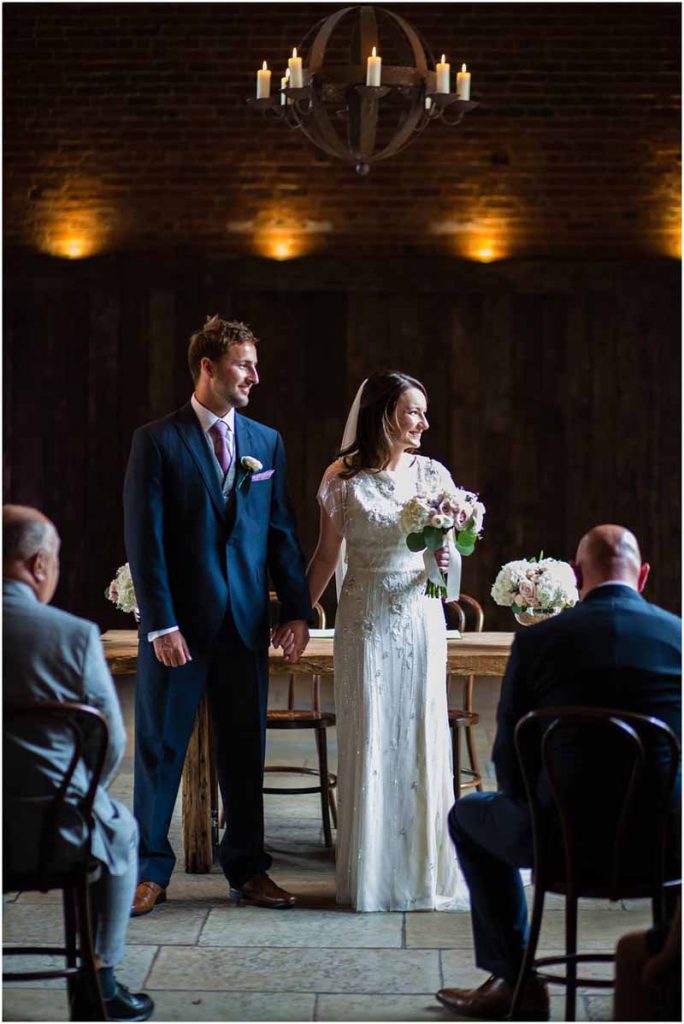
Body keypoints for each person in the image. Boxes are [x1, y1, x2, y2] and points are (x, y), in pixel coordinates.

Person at [436, 524, 681, 1020]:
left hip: (560, 845)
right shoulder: (677, 637)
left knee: (468, 814)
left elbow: (510, 753)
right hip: (665, 848)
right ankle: (662, 960)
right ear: (645, 575)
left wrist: (532, 809)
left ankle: (517, 981)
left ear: (575, 574)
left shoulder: (540, 641)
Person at [123, 315, 312, 915]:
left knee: (243, 750)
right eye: (243, 365)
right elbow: (144, 541)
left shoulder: (266, 442)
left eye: (255, 364)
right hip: (179, 629)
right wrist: (161, 623)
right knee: (159, 750)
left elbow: (279, 532)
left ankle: (248, 869)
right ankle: (148, 871)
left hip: (246, 625)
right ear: (207, 367)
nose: (255, 375)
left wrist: (298, 609)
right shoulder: (157, 440)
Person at [306, 372, 469, 911]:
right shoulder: (342, 478)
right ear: (383, 416)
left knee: (420, 732)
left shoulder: (434, 476)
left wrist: (445, 558)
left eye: (424, 413)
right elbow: (328, 556)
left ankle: (423, 874)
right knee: (371, 731)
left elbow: (449, 558)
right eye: (412, 411)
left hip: (421, 616)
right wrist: (298, 612)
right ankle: (372, 875)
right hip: (366, 619)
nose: (423, 422)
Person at [3, 505, 153, 1022]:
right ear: (39, 564)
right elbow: (107, 739)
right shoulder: (71, 635)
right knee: (119, 830)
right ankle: (99, 982)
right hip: (55, 830)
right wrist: (83, 795)